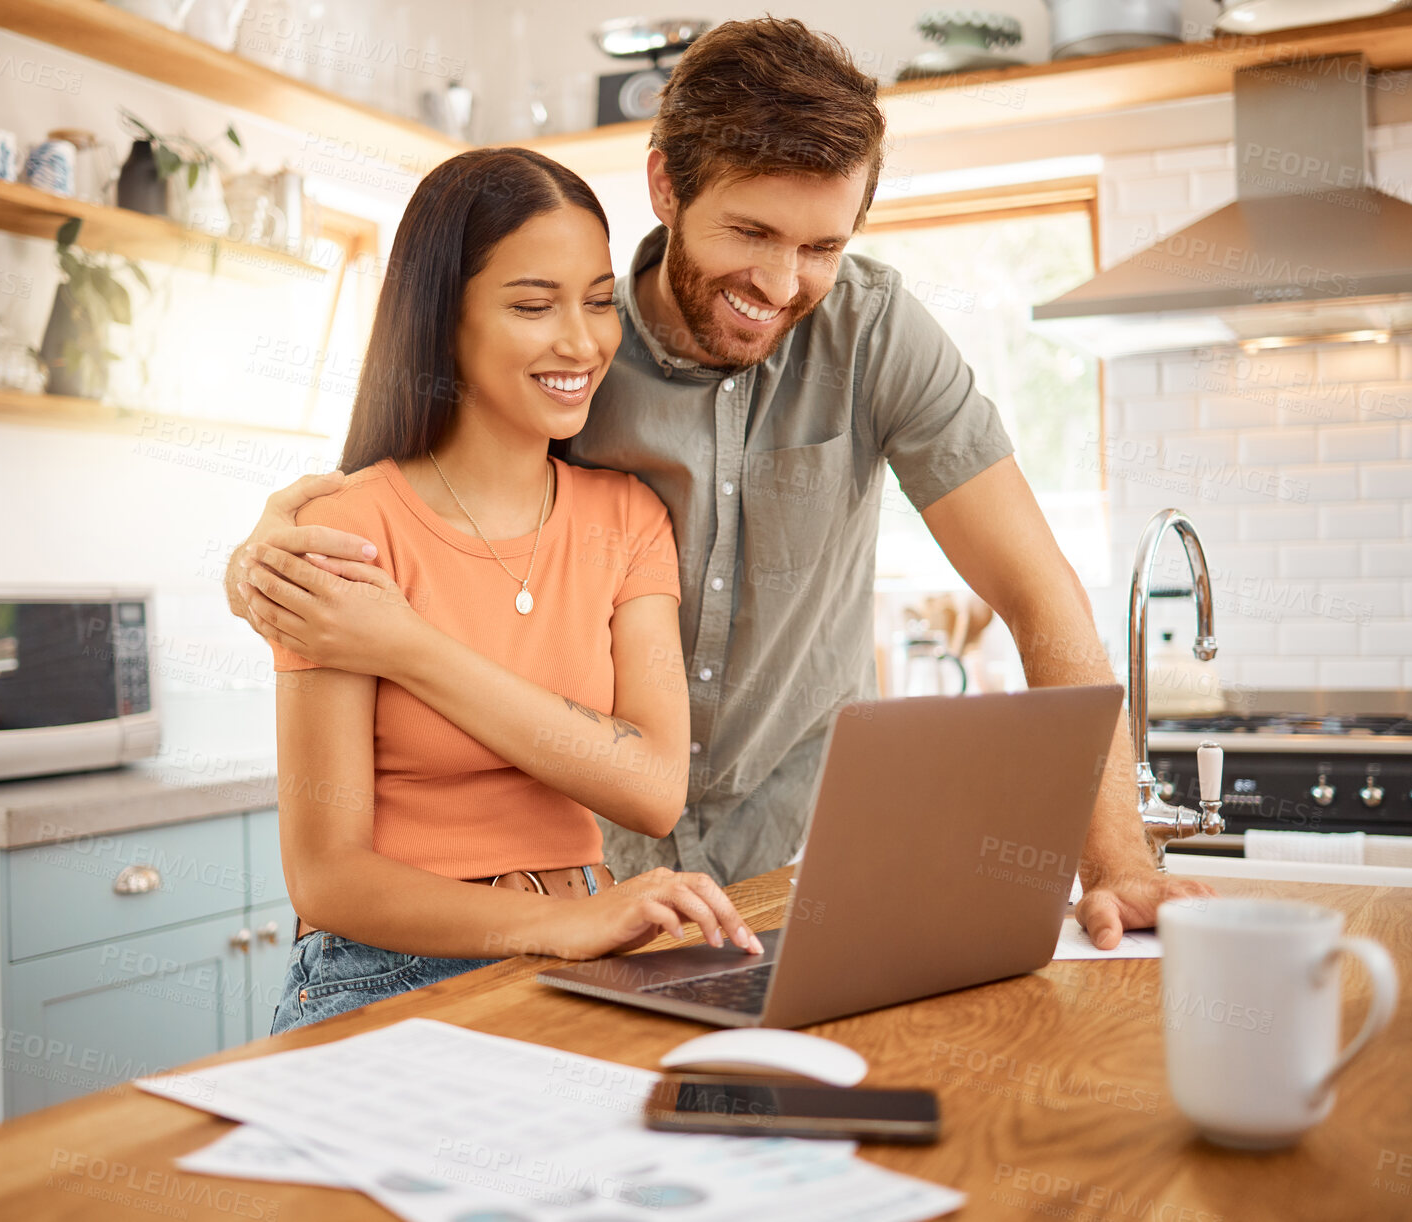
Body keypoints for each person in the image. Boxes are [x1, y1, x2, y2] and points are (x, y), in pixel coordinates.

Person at [228, 18, 1211, 952]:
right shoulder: (574, 357)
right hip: (610, 886)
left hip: (808, 852)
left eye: (822, 247)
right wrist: (269, 554)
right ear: (665, 185)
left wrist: (1115, 861)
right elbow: (432, 500)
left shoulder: (874, 335)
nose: (783, 283)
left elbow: (1037, 593)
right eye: (752, 232)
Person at [240, 147, 762, 1034]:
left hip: (590, 947)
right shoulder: (344, 529)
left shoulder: (627, 519)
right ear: (444, 319)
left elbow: (650, 785)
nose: (581, 341)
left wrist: (405, 645)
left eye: (598, 301)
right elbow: (326, 876)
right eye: (532, 305)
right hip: (385, 974)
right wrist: (558, 924)